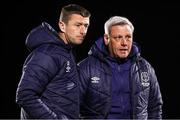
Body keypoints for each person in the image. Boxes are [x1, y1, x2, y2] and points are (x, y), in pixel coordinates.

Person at [78, 16, 163, 119]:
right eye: (118, 37)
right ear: (106, 39)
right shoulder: (86, 68)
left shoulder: (145, 68)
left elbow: (155, 108)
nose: (124, 43)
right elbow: (71, 107)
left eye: (128, 37)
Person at [16, 4, 90, 119]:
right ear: (62, 26)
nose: (83, 31)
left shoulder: (66, 51)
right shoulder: (47, 54)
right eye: (78, 25)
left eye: (86, 26)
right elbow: (25, 95)